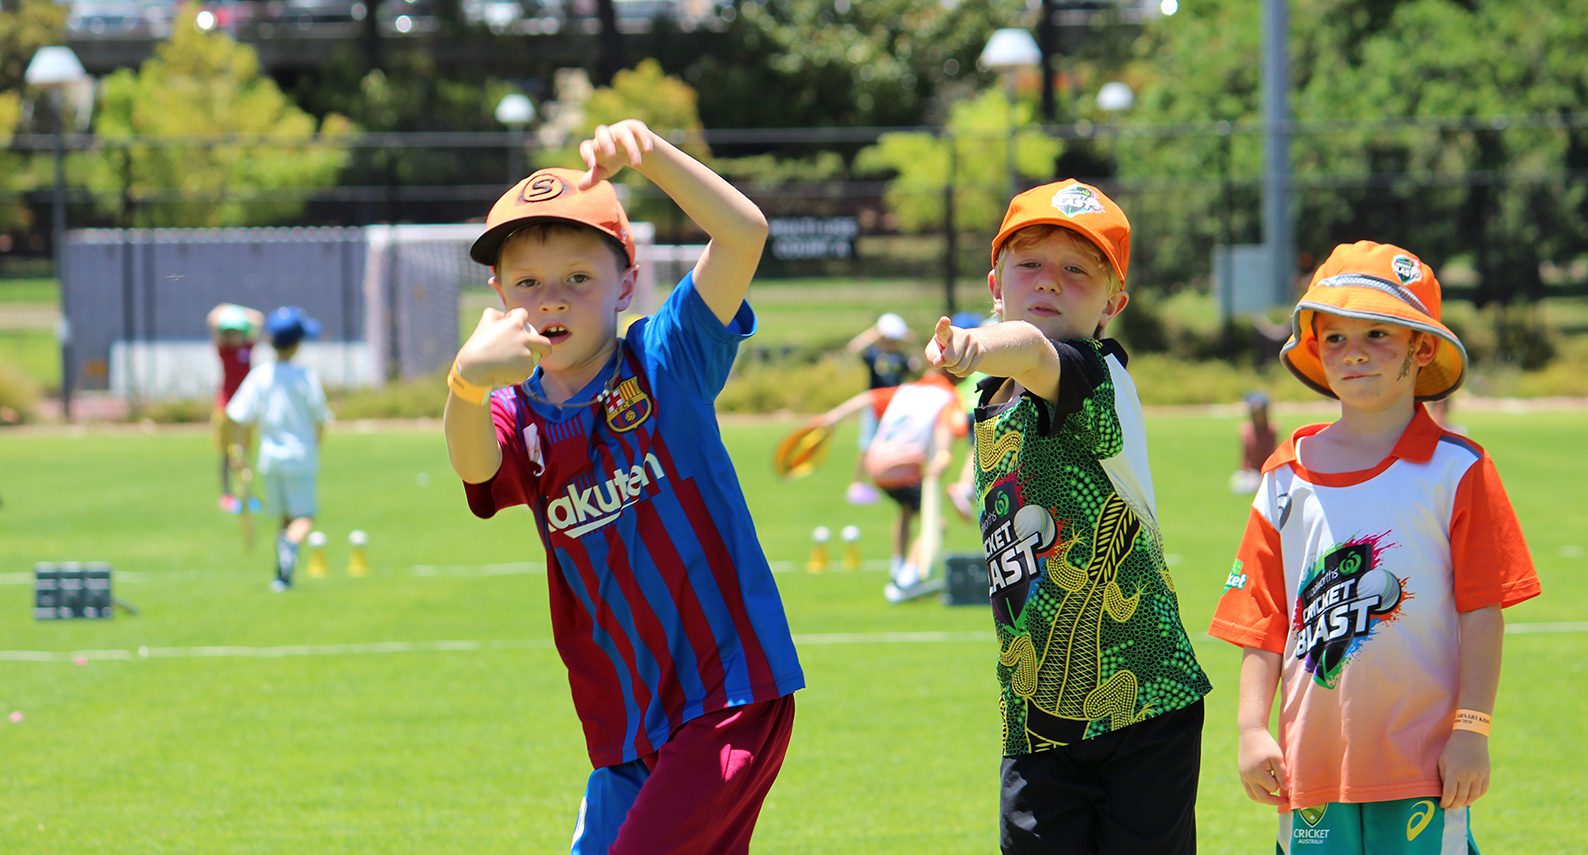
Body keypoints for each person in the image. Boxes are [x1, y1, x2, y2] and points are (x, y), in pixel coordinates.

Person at [443, 120, 804, 854]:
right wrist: (467, 382)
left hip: (727, 695)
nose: (553, 300)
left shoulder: (665, 357)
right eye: (528, 282)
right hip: (627, 722)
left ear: (626, 283)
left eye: (579, 277)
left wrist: (652, 155)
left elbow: (744, 235)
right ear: (499, 294)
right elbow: (476, 468)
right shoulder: (513, 410)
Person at [1208, 241, 1541, 854]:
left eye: (1377, 333)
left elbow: (1482, 610)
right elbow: (1262, 621)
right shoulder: (1285, 473)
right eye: (1333, 337)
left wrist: (1472, 729)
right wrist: (1252, 728)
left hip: (1423, 764)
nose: (1353, 350)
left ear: (1421, 348)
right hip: (1312, 766)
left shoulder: (1456, 469)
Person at [928, 179, 1212, 853]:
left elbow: (1032, 351)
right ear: (994, 281)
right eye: (1029, 263)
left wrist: (976, 345)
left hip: (1144, 702)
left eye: (1077, 270)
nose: (1049, 281)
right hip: (1036, 713)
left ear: (1113, 303)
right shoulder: (992, 397)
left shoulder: (1096, 374)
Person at [811, 365, 965, 601]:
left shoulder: (906, 390)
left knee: (906, 510)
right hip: (902, 467)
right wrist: (943, 456)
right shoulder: (947, 397)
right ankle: (907, 580)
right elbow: (945, 429)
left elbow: (867, 398)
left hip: (875, 463)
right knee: (936, 524)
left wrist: (832, 418)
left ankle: (897, 566)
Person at [225, 306, 331, 593]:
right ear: (297, 345)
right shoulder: (304, 376)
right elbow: (321, 421)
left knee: (285, 518)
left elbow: (237, 416)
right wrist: (315, 448)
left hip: (269, 459)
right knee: (305, 517)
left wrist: (238, 454)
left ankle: (282, 576)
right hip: (300, 457)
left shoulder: (260, 375)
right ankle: (290, 547)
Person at [841, 312, 917, 505]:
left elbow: (918, 367)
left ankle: (883, 482)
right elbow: (853, 349)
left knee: (888, 446)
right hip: (874, 404)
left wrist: (909, 341)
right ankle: (857, 484)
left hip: (895, 407)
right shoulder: (874, 354)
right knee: (867, 444)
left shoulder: (901, 357)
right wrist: (873, 334)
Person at [206, 302, 265, 511]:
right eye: (229, 332)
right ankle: (226, 494)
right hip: (226, 408)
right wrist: (225, 308)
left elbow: (258, 318)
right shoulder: (225, 351)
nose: (234, 337)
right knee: (226, 453)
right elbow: (213, 318)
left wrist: (238, 312)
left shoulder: (247, 348)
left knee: (244, 453)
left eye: (237, 332)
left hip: (246, 411)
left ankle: (246, 493)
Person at [1230, 390, 1278, 493]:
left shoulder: (1272, 430)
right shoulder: (1245, 431)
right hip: (1249, 473)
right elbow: (1244, 456)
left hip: (1265, 472)